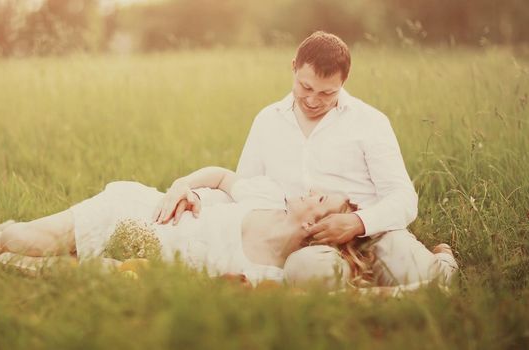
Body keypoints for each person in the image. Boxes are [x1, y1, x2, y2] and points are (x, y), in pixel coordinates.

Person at [160, 31, 458, 286]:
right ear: (294, 68)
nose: (314, 100)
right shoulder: (268, 120)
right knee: (308, 273)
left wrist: (356, 222)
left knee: (420, 275)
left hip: (368, 235)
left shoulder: (370, 122)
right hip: (304, 245)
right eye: (306, 87)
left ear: (344, 81)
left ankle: (442, 258)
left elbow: (404, 198)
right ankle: (353, 283)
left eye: (328, 93)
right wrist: (195, 193)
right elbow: (245, 193)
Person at [0, 166, 373, 287]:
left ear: (312, 225)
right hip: (134, 211)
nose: (310, 190)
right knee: (25, 241)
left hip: (137, 259)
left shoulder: (271, 271)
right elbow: (218, 176)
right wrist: (181, 185)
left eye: (320, 200)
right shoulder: (264, 197)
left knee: (49, 268)